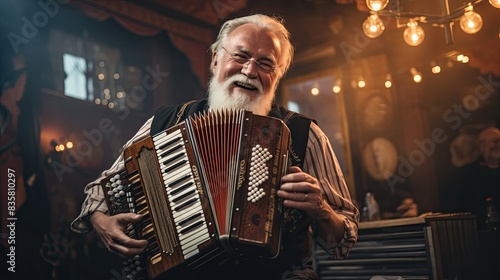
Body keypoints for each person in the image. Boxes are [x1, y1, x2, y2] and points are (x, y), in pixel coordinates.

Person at [71, 14, 359, 280]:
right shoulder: (163, 122)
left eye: (265, 63)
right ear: (215, 61)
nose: (249, 70)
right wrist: (99, 220)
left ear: (277, 74)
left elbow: (343, 242)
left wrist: (322, 209)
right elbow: (99, 189)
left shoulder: (305, 135)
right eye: (240, 56)